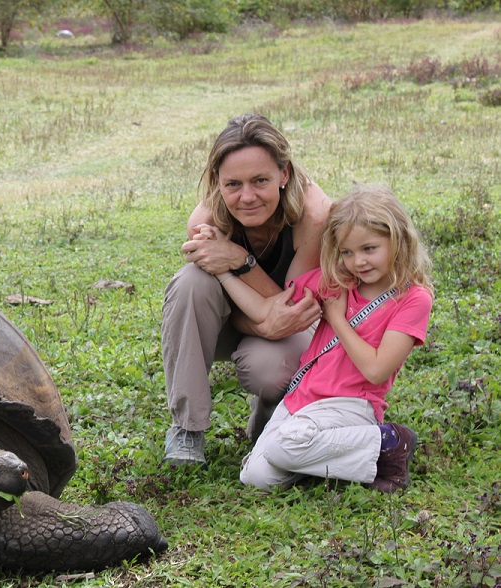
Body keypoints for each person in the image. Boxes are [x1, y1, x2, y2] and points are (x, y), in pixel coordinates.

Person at [225, 184, 433, 492]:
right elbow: (272, 305)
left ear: (397, 240)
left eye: (369, 249)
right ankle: (342, 458)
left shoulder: (413, 299)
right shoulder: (336, 281)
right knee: (255, 477)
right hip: (302, 399)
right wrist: (225, 273)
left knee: (282, 448)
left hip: (351, 403)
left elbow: (375, 370)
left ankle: (389, 440)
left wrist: (336, 318)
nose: (357, 262)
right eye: (347, 252)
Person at [162, 113, 331, 467]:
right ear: (217, 182)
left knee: (270, 369)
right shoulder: (205, 223)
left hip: (295, 324)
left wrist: (239, 259)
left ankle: (273, 412)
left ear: (284, 174)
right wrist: (259, 323)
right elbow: (258, 313)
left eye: (260, 181)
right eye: (233, 184)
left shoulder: (314, 217)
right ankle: (187, 427)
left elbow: (293, 307)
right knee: (191, 282)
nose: (247, 197)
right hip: (231, 322)